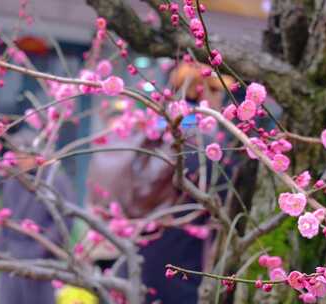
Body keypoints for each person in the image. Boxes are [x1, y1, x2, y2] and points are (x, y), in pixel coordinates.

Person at [86, 62, 235, 303]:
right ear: (201, 91)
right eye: (216, 91)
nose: (222, 101)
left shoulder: (151, 132)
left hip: (138, 258)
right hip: (180, 264)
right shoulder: (202, 143)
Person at [0, 128, 76, 304]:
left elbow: (65, 218)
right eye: (17, 155)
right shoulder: (13, 180)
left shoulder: (55, 179)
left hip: (40, 256)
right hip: (12, 254)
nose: (20, 160)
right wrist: (2, 247)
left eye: (24, 154)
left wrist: (42, 247)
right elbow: (6, 216)